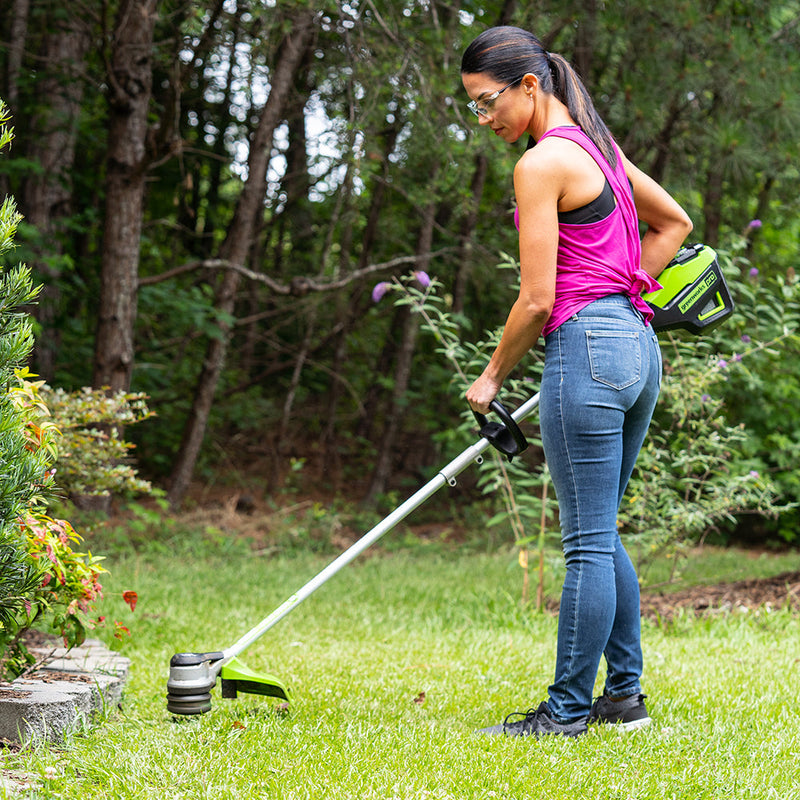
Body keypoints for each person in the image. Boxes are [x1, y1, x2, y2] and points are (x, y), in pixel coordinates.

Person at [461, 26, 693, 738]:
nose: (483, 118)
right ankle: (623, 699)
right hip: (637, 347)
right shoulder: (602, 152)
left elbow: (537, 300)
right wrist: (623, 291)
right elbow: (674, 223)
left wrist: (491, 377)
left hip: (588, 348)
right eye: (473, 106)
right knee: (602, 531)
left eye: (486, 101)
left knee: (587, 541)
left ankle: (564, 713)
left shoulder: (541, 164)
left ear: (530, 85)